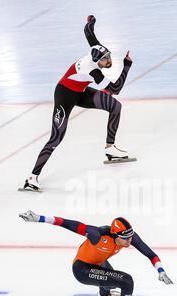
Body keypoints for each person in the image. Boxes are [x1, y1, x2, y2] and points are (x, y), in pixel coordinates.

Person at [19, 210, 173, 296]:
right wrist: (39, 218)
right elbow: (68, 223)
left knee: (111, 277)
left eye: (130, 237)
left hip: (99, 263)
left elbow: (150, 253)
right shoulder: (97, 234)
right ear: (114, 234)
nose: (129, 242)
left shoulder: (128, 236)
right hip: (82, 269)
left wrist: (160, 270)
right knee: (126, 281)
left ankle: (104, 294)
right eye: (125, 239)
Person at [23, 15, 133, 192]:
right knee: (55, 138)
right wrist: (127, 65)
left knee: (115, 107)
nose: (109, 61)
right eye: (105, 60)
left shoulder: (95, 49)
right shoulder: (95, 72)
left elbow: (88, 32)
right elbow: (116, 88)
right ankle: (32, 178)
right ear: (97, 62)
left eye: (108, 56)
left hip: (80, 92)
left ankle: (110, 148)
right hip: (64, 96)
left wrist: (91, 21)